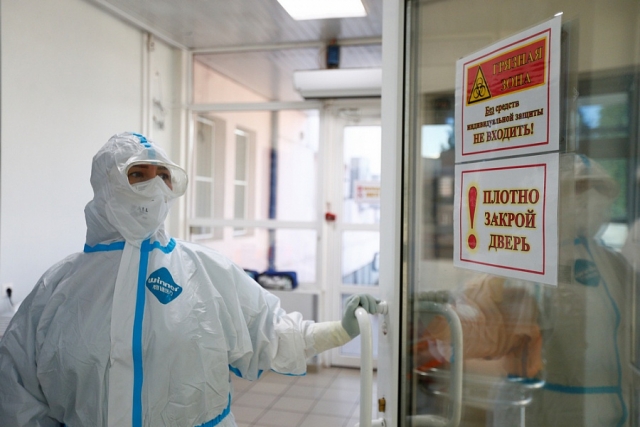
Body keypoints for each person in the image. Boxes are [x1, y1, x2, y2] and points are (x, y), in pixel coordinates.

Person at [0, 132, 379, 427]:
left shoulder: (205, 271)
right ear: (106, 185)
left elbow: (271, 333)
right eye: (138, 175)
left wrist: (340, 331)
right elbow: (17, 388)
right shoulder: (58, 287)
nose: (154, 187)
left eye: (163, 176)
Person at [417, 154, 632, 426]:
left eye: (599, 191)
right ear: (554, 198)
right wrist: (443, 321)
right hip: (541, 408)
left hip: (611, 408)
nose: (590, 202)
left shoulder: (612, 263)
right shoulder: (524, 259)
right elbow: (477, 328)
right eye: (579, 190)